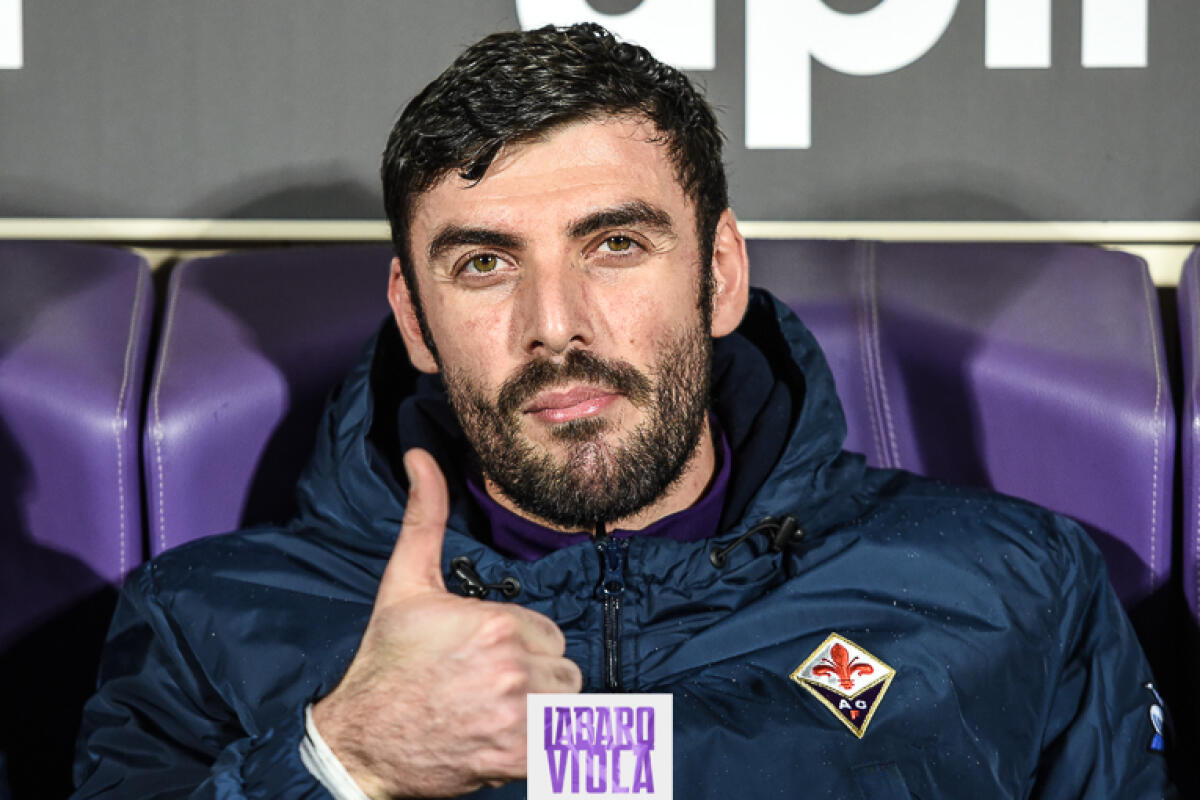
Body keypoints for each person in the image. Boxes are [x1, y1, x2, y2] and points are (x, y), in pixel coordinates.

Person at [73, 23, 1173, 799]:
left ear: (721, 272)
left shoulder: (1011, 588)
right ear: (414, 317)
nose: (557, 323)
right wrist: (342, 761)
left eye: (615, 244)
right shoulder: (205, 625)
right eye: (485, 263)